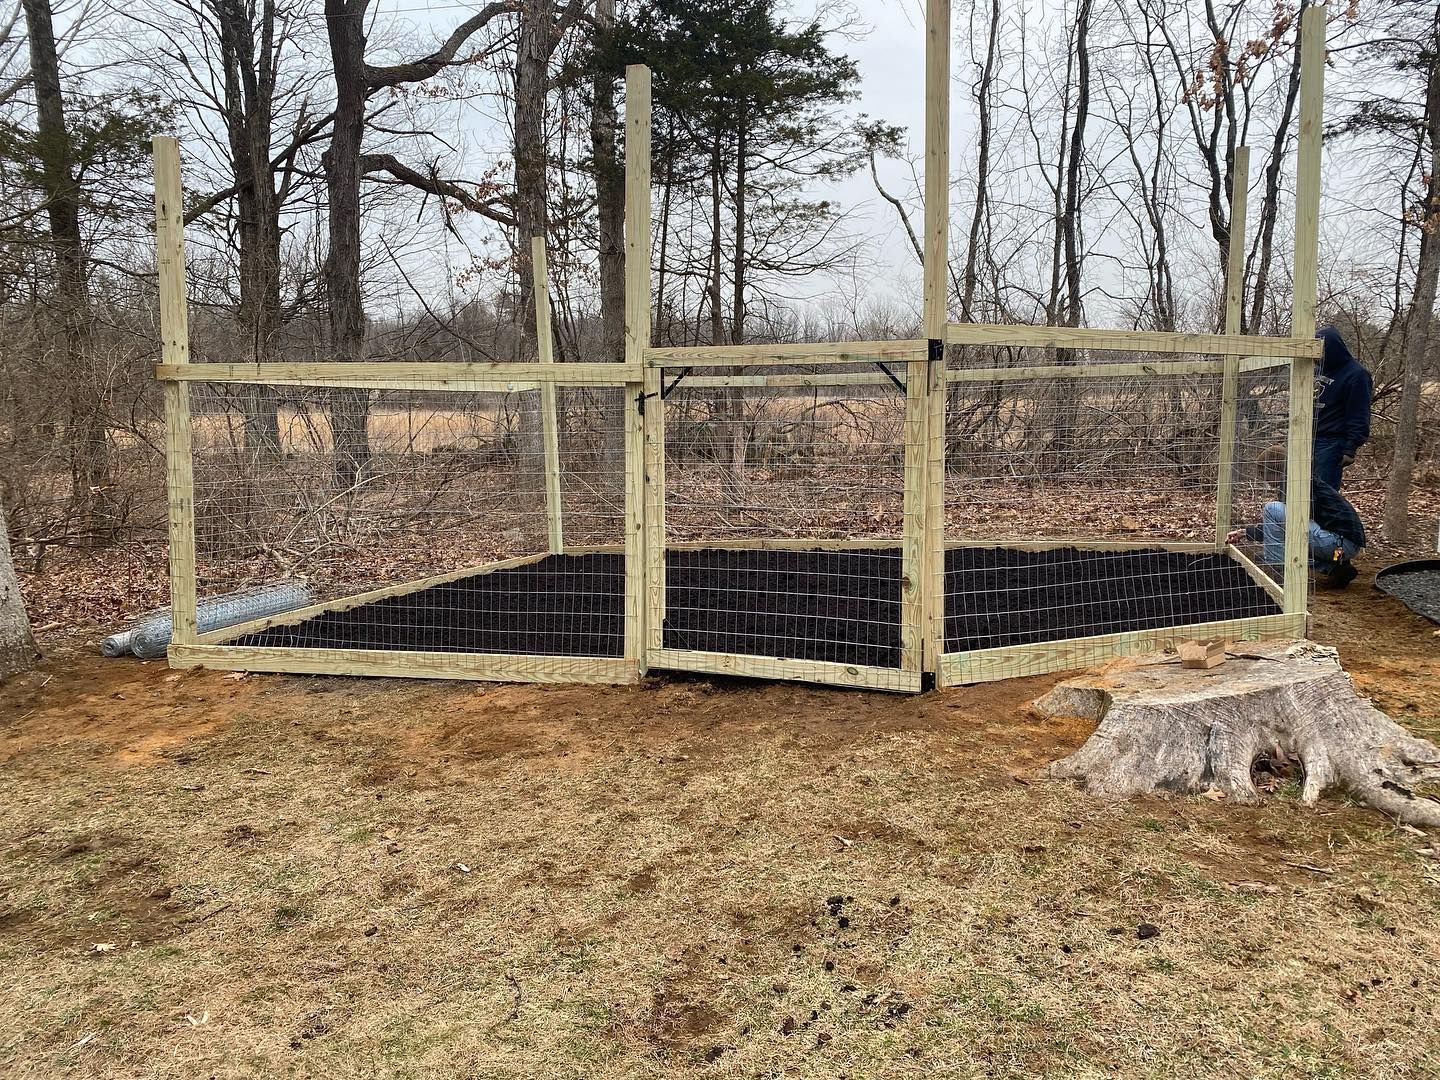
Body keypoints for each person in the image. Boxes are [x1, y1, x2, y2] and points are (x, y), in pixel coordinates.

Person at [1226, 445, 1366, 589]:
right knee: (1283, 533)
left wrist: (1271, 552)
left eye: (1264, 474)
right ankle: (1336, 568)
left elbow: (1291, 524)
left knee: (1272, 509)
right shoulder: (1302, 479)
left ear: (1274, 471)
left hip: (1338, 544)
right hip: (1343, 549)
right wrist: (1245, 533)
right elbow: (1289, 525)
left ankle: (1277, 572)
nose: (1264, 480)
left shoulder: (1295, 485)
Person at [1313, 325, 1372, 489]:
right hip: (1307, 437)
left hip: (1331, 442)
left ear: (1332, 348)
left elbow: (1359, 413)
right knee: (1302, 491)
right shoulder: (1319, 370)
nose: (1318, 357)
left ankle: (1325, 516)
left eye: (1321, 352)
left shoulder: (1356, 375)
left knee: (1324, 494)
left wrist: (1351, 447)